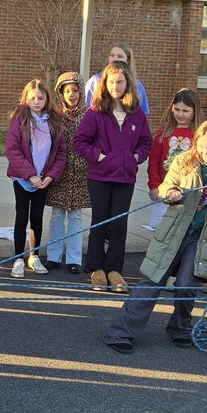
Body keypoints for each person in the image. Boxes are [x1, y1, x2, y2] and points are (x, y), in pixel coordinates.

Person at [103, 119, 207, 352]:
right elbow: (166, 186)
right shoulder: (184, 160)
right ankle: (120, 331)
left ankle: (179, 327)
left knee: (186, 284)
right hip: (175, 230)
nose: (206, 152)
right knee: (153, 279)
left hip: (203, 236)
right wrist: (169, 193)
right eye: (202, 146)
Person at [73, 61, 152, 293]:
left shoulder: (136, 112)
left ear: (128, 83)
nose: (116, 86)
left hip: (125, 177)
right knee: (100, 221)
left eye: (120, 81)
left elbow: (146, 141)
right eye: (111, 81)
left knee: (119, 223)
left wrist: (135, 157)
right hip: (99, 176)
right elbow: (79, 142)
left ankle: (114, 269)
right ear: (104, 84)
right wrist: (98, 157)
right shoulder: (96, 111)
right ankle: (96, 268)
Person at [5, 78, 66, 278]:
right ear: (26, 99)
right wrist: (30, 175)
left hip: (43, 179)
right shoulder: (19, 120)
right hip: (23, 178)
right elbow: (12, 150)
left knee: (37, 218)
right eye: (33, 98)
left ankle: (34, 256)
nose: (37, 101)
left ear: (47, 98)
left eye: (41, 98)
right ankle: (18, 259)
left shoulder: (54, 121)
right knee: (22, 216)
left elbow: (60, 154)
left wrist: (50, 176)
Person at [45, 72, 90, 274]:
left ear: (81, 91)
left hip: (81, 173)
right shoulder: (56, 116)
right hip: (60, 172)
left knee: (75, 217)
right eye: (68, 91)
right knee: (56, 215)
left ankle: (74, 258)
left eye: (76, 90)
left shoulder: (90, 115)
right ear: (61, 93)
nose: (72, 94)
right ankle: (53, 255)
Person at [147, 89, 200, 229]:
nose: (180, 114)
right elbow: (154, 160)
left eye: (185, 110)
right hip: (164, 188)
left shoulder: (200, 133)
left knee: (182, 229)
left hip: (188, 189)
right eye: (177, 109)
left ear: (195, 111)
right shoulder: (164, 131)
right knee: (159, 227)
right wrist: (154, 185)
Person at [84, 42, 151, 115]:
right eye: (112, 55)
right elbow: (85, 108)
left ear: (128, 60)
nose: (115, 59)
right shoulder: (95, 80)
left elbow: (142, 115)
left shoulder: (137, 84)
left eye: (120, 56)